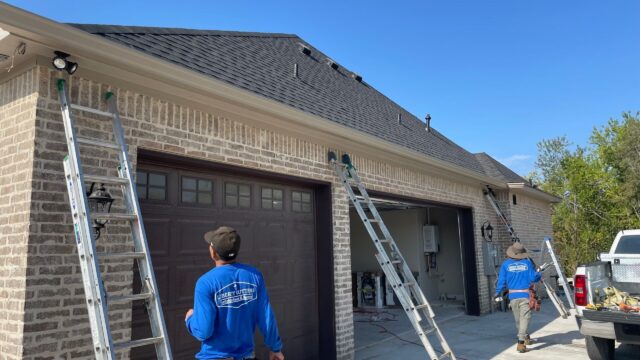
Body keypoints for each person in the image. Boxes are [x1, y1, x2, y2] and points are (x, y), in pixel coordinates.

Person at [185, 226, 285, 360]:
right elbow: (266, 317)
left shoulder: (205, 283)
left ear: (213, 252)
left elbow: (203, 331)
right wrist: (275, 348)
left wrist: (190, 319)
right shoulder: (254, 276)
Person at [494, 242, 542, 353]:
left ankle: (525, 337)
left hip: (513, 297)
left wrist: (497, 293)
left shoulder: (505, 265)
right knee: (524, 318)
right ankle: (521, 343)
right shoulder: (527, 263)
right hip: (525, 296)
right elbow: (534, 278)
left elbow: (501, 281)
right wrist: (539, 273)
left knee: (518, 320)